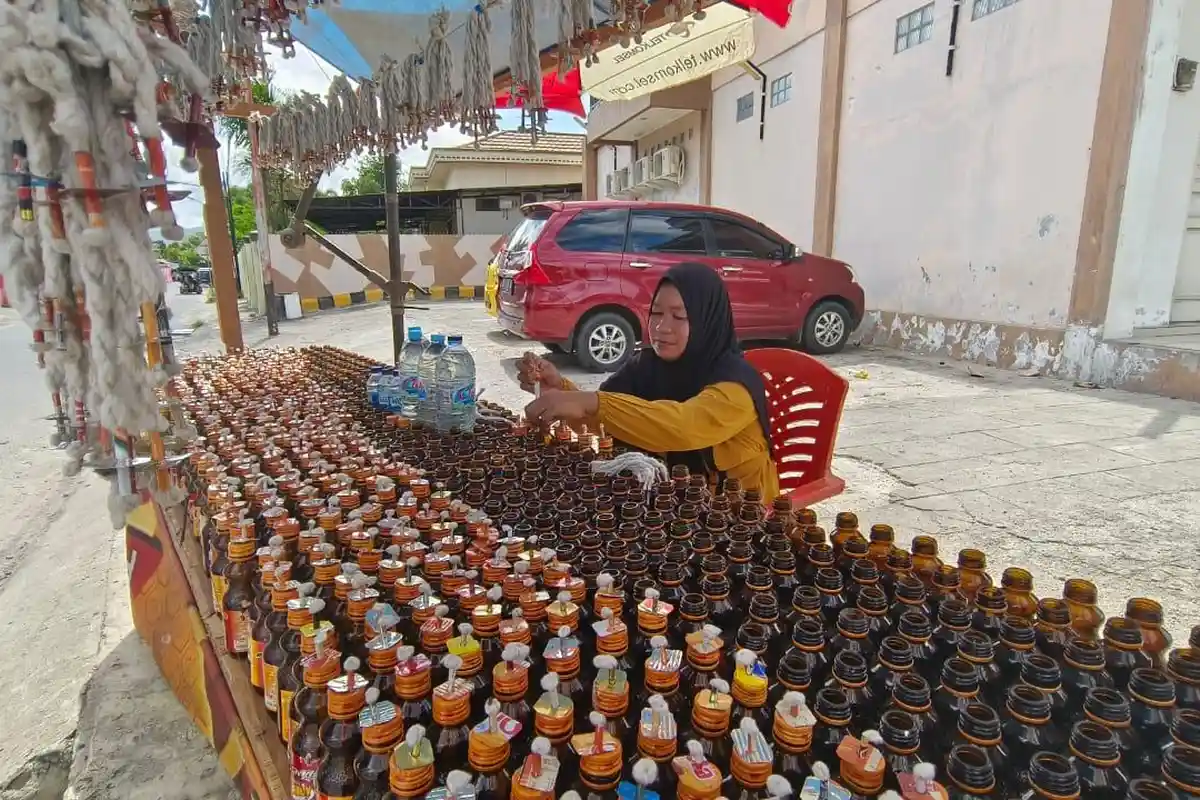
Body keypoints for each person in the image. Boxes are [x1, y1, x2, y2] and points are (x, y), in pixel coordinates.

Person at [519, 262, 779, 498]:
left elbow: (683, 427)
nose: (662, 327)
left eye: (679, 317)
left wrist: (589, 402)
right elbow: (608, 422)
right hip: (675, 501)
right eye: (656, 313)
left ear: (707, 320)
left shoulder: (736, 384)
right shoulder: (645, 367)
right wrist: (561, 391)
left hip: (742, 516)